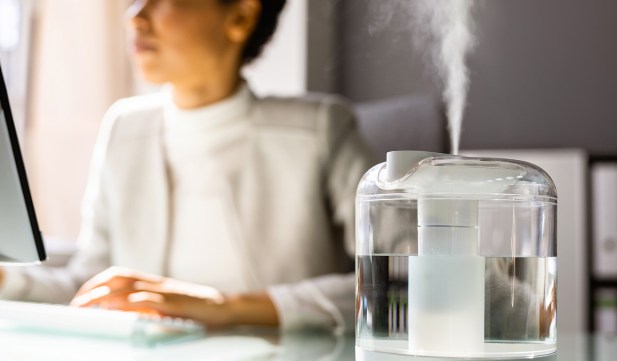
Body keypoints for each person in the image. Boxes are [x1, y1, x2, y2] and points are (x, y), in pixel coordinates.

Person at [0, 0, 373, 333]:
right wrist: (6, 281)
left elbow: (395, 282)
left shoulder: (319, 130)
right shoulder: (124, 129)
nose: (136, 17)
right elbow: (90, 284)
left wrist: (224, 307)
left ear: (241, 16)